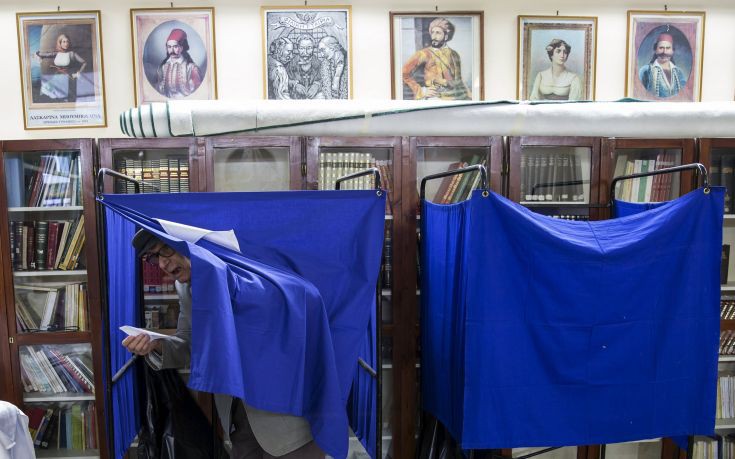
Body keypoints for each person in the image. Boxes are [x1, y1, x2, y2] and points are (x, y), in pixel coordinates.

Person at [122, 230, 323, 458]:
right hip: (238, 420)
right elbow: (190, 344)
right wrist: (156, 344)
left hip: (287, 419)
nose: (162, 263)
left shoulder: (250, 272)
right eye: (153, 257)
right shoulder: (186, 288)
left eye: (166, 249)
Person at [401, 18, 471, 100]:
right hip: (435, 98)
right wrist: (422, 91)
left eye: (438, 33)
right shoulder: (423, 53)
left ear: (446, 36)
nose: (433, 36)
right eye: (432, 32)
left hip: (457, 98)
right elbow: (403, 73)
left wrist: (469, 96)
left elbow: (459, 81)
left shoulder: (454, 54)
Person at [35, 33, 87, 102]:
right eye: (64, 42)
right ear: (60, 43)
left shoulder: (72, 53)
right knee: (47, 90)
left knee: (68, 99)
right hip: (57, 78)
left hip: (68, 78)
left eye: (67, 41)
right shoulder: (57, 53)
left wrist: (79, 73)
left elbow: (84, 62)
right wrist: (38, 54)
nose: (66, 44)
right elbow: (45, 55)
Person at [156, 28, 203, 98]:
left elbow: (197, 92)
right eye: (169, 47)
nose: (172, 50)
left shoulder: (191, 68)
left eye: (175, 46)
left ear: (181, 48)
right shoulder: (163, 67)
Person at [638, 32, 687, 98]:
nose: (664, 52)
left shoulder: (679, 73)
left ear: (672, 51)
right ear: (655, 50)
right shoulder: (645, 71)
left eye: (668, 48)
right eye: (661, 48)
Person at [287, 35, 324, 99]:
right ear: (298, 48)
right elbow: (283, 80)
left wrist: (317, 85)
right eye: (302, 48)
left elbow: (326, 79)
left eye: (309, 48)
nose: (305, 52)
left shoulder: (319, 64)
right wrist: (294, 85)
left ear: (313, 48)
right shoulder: (290, 64)